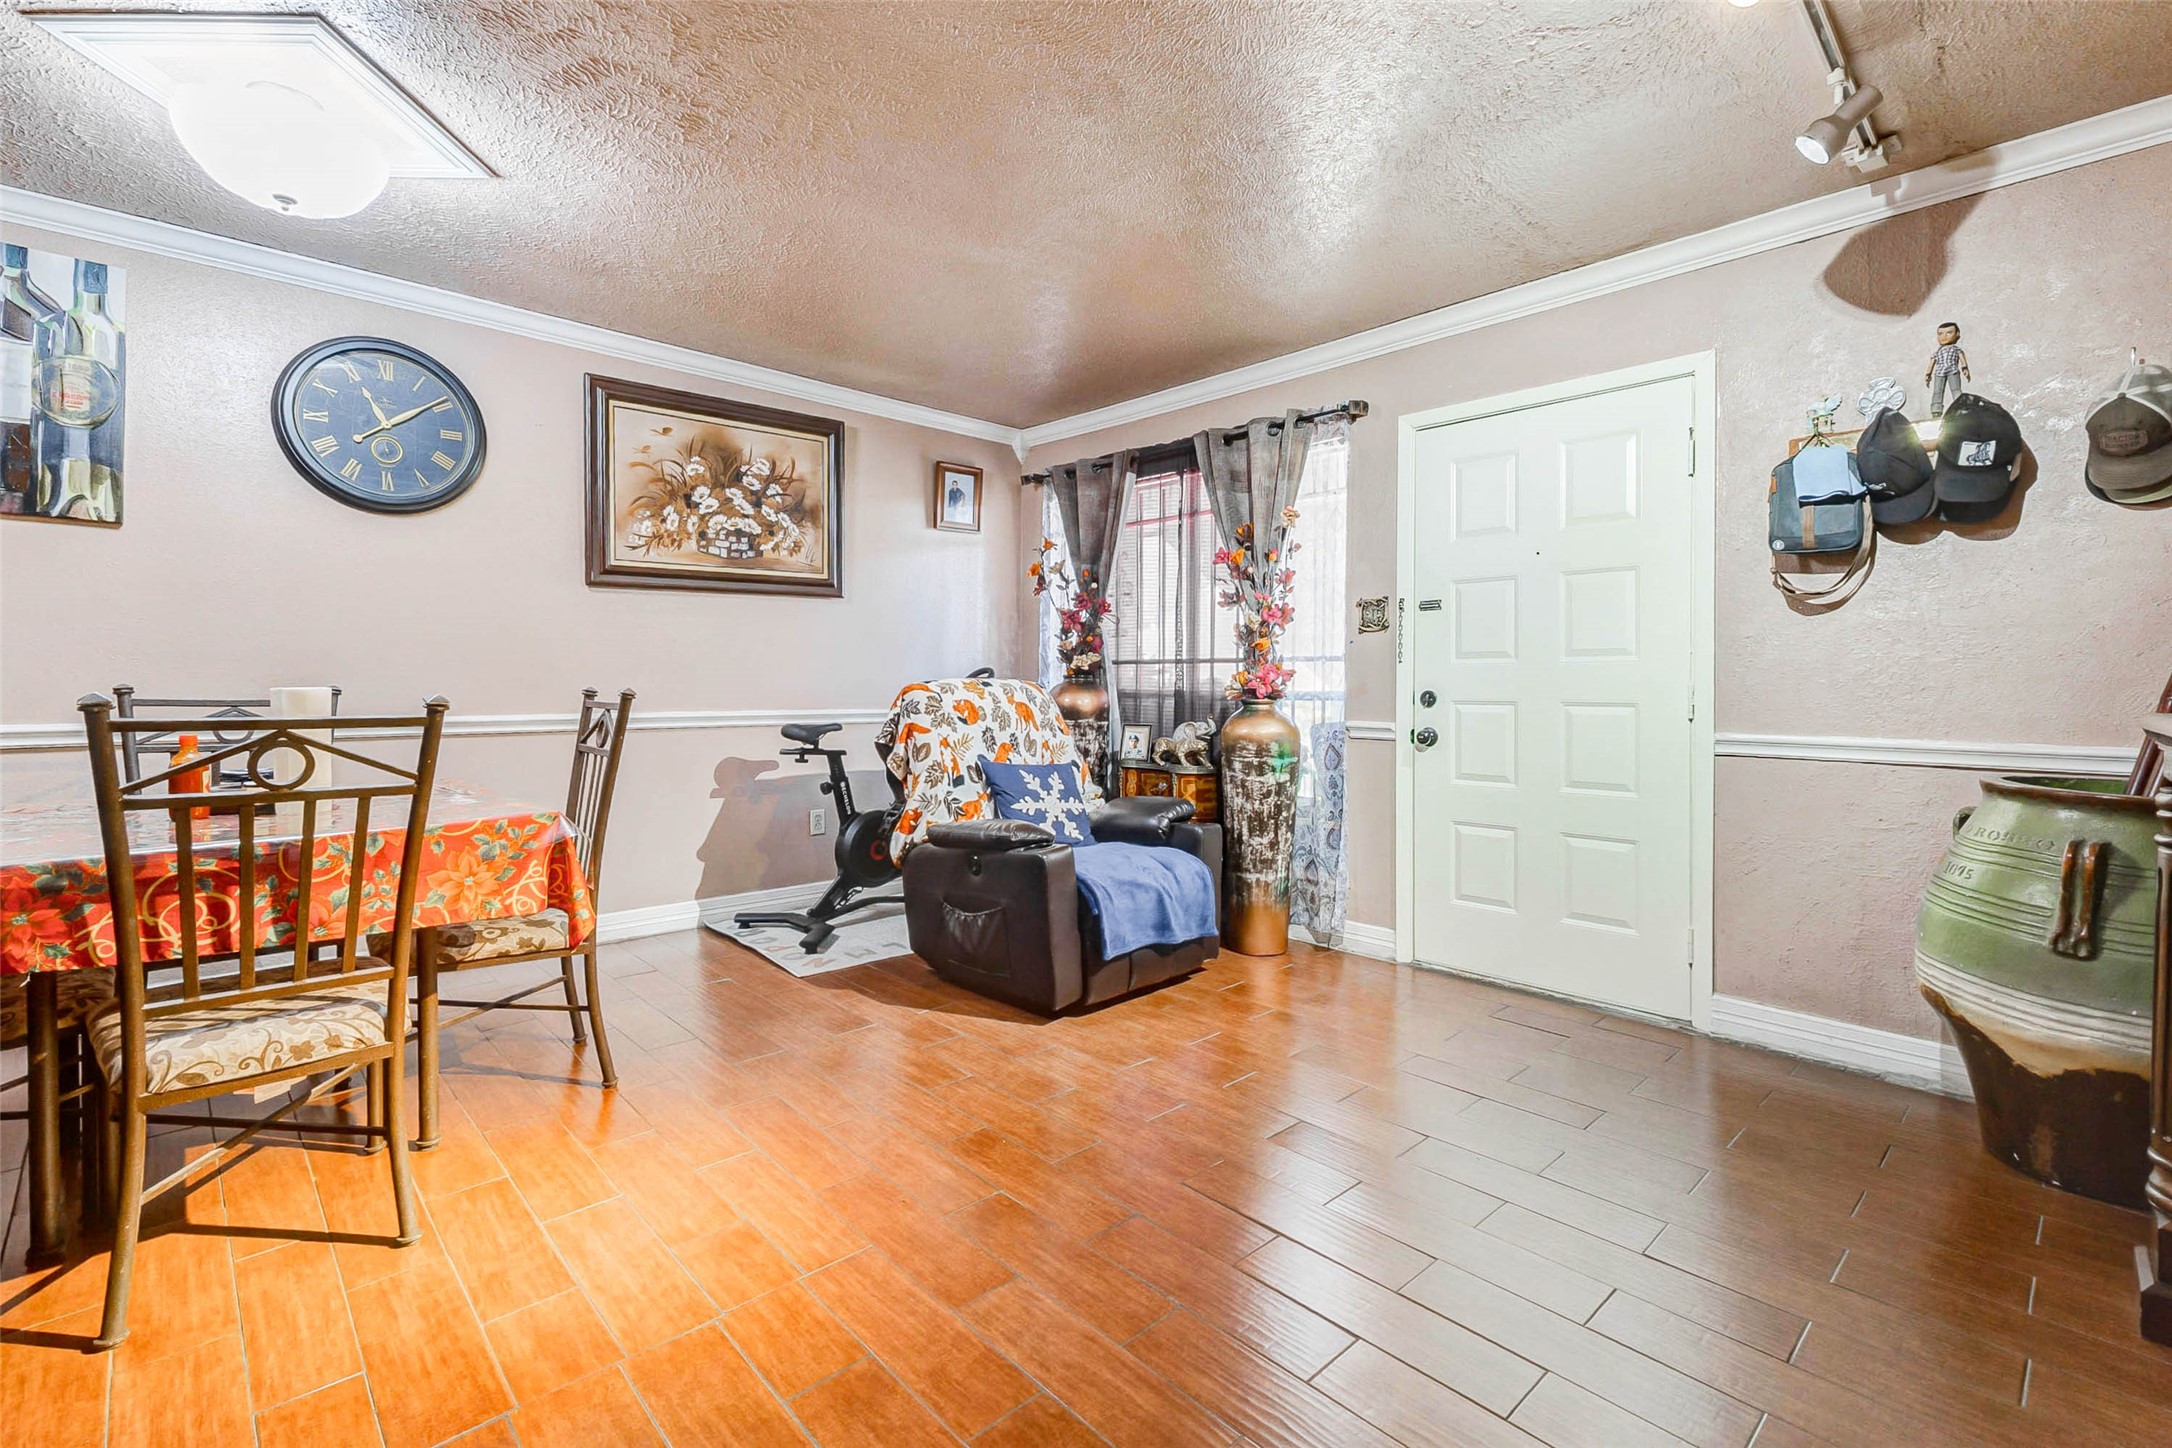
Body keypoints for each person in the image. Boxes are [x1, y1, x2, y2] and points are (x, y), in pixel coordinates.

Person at [1925, 322, 1970, 418]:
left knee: (1956, 390)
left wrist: (1964, 368)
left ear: (1957, 334)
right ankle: (1936, 410)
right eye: (1940, 334)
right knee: (1937, 391)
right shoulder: (1937, 351)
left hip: (1952, 371)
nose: (1944, 337)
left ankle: (1960, 407)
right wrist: (1928, 374)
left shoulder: (1956, 349)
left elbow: (1962, 359)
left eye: (1949, 333)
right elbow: (1931, 363)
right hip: (1939, 373)